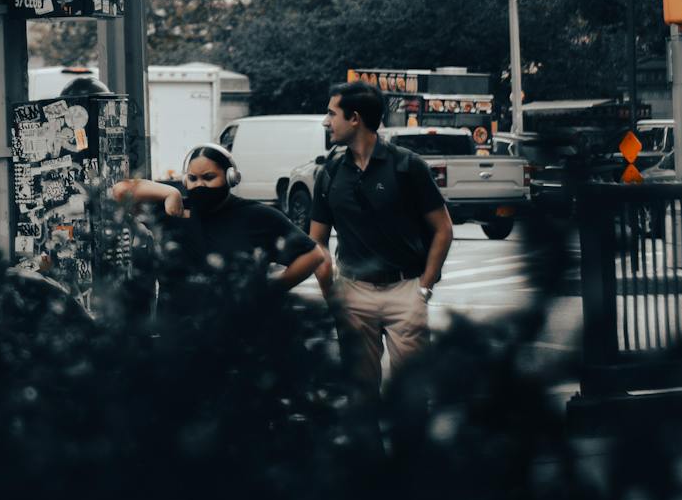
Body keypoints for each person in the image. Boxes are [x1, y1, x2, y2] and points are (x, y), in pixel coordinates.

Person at [308, 80, 454, 392]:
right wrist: (331, 294)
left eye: (331, 113)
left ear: (355, 118)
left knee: (412, 392)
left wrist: (424, 289)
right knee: (359, 393)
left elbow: (443, 228)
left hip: (406, 289)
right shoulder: (329, 172)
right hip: (352, 291)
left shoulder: (407, 166)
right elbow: (316, 241)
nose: (325, 121)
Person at [112, 143, 326, 295]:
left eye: (208, 177)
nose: (199, 185)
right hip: (179, 338)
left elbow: (313, 255)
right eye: (193, 178)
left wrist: (270, 288)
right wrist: (171, 192)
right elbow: (119, 190)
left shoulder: (257, 216)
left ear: (231, 178)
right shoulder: (173, 210)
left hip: (235, 339)